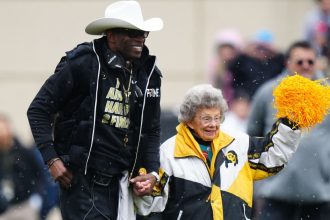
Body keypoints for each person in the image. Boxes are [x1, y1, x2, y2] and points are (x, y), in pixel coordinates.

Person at [27, 1, 163, 219]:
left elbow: (152, 130)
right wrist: (51, 159)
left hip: (122, 188)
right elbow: (38, 109)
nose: (141, 38)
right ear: (111, 35)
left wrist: (153, 174)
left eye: (144, 32)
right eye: (132, 32)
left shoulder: (149, 74)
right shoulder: (84, 62)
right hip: (82, 183)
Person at [134, 84, 302, 220]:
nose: (213, 124)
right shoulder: (168, 152)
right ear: (189, 121)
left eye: (217, 118)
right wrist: (143, 191)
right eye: (206, 118)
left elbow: (273, 157)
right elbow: (151, 207)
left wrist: (292, 122)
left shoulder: (239, 143)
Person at [247, 41, 330, 219]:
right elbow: (252, 135)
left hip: (320, 195)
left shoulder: (328, 93)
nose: (306, 66)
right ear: (288, 63)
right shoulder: (269, 92)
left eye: (310, 61)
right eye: (300, 62)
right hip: (275, 195)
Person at [0, 114, 44, 220]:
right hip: (5, 209)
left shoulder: (24, 152)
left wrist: (37, 198)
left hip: (26, 206)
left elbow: (40, 176)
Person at [228, 29, 285, 99]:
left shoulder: (276, 62)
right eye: (259, 48)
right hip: (247, 99)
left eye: (265, 49)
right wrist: (244, 51)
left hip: (269, 98)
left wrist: (277, 53)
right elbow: (231, 67)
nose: (262, 51)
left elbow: (287, 64)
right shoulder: (244, 60)